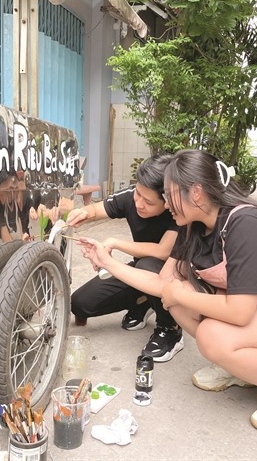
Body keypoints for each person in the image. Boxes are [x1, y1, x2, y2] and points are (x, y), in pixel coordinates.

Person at [79, 149, 257, 436]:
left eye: (169, 194)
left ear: (196, 193)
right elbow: (161, 284)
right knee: (178, 302)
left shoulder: (246, 223)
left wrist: (179, 294)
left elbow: (239, 312)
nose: (166, 203)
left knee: (209, 332)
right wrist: (108, 262)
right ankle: (241, 367)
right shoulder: (192, 225)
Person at [66, 155, 183, 362]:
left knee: (148, 264)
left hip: (172, 278)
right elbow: (95, 209)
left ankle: (169, 329)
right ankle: (146, 300)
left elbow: (163, 251)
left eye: (148, 201)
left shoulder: (180, 212)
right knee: (80, 304)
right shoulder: (132, 197)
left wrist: (114, 242)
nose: (138, 202)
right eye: (137, 193)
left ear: (168, 202)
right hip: (141, 271)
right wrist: (81, 213)